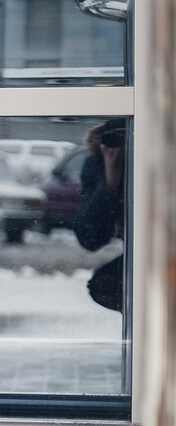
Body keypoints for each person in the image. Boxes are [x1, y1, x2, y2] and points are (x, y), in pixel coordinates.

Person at [76, 118, 126, 312]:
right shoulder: (101, 159)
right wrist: (109, 184)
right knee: (104, 285)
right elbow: (90, 238)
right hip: (142, 254)